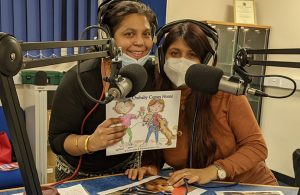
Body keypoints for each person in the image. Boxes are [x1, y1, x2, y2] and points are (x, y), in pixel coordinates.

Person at [125, 22, 278, 186]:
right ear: (162, 58)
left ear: (206, 60)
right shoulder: (160, 100)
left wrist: (213, 171)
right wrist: (152, 167)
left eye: (191, 55)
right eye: (174, 53)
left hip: (249, 186)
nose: (182, 61)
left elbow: (257, 148)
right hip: (197, 188)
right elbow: (164, 145)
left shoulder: (227, 93)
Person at [48, 0, 157, 181]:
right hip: (78, 174)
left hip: (127, 171)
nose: (140, 42)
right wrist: (90, 142)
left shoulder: (151, 74)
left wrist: (150, 163)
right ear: (107, 37)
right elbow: (57, 141)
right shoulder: (79, 79)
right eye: (129, 34)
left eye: (146, 34)